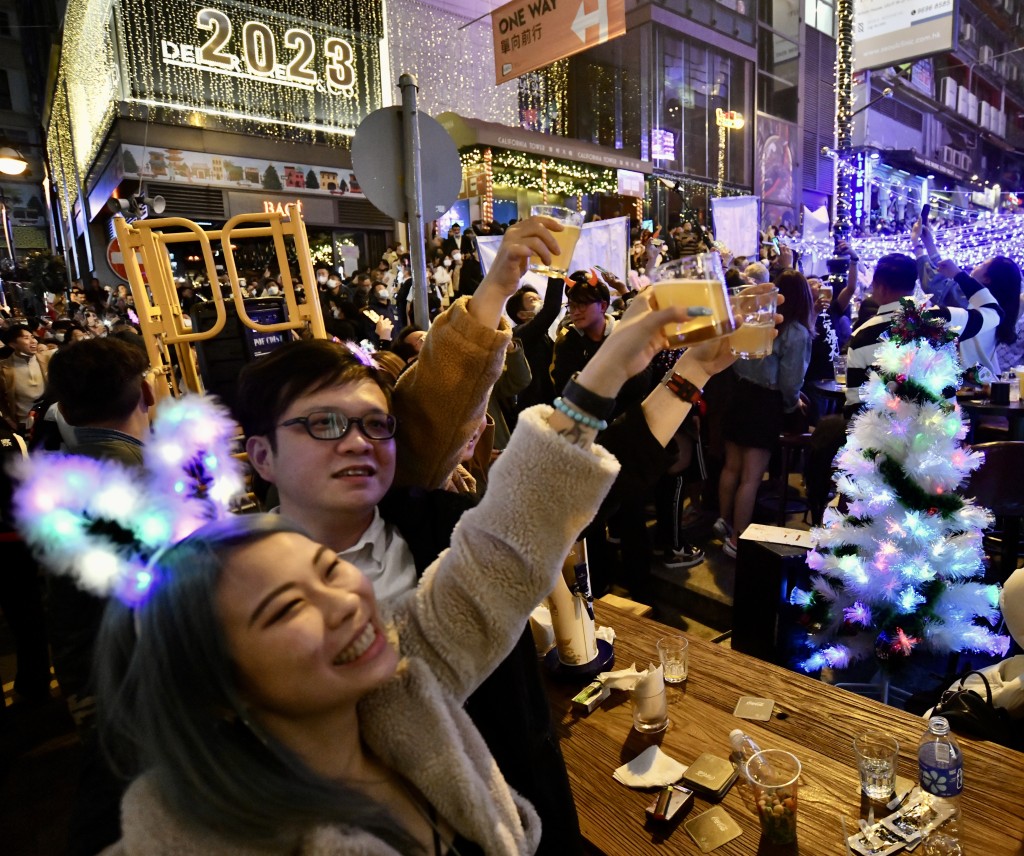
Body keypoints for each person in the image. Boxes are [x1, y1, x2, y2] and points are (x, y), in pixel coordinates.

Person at [89, 288, 695, 854]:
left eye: (330, 570)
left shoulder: (402, 685)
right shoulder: (218, 816)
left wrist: (633, 363)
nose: (348, 602)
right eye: (323, 423)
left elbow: (524, 524)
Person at [716, 270, 815, 557]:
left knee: (731, 468)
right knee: (751, 477)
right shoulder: (795, 332)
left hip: (738, 394)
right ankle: (737, 540)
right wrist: (790, 406)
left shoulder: (759, 321)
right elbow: (790, 382)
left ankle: (724, 522)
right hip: (764, 403)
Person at [1, 325, 52, 432]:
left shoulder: (47, 359)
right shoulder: (3, 368)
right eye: (26, 338)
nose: (33, 341)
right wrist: (9, 420)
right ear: (13, 344)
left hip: (49, 418)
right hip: (22, 423)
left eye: (32, 337)